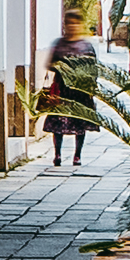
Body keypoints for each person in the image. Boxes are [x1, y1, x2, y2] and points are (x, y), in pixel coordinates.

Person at [43, 23, 104, 169]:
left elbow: (93, 67)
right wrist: (63, 67)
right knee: (58, 123)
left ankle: (77, 155)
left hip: (80, 90)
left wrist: (90, 86)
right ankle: (57, 154)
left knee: (80, 122)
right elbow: (50, 64)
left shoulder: (86, 46)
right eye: (70, 24)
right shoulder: (59, 44)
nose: (73, 27)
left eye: (75, 24)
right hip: (62, 89)